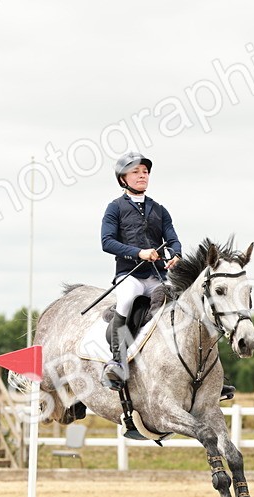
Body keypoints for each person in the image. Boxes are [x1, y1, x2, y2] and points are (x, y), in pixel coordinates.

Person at [99, 152, 181, 388]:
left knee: (183, 304)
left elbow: (174, 240)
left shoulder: (160, 210)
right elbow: (107, 242)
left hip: (157, 276)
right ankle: (117, 362)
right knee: (126, 299)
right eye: (135, 171)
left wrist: (175, 255)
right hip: (129, 275)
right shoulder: (114, 208)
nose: (142, 175)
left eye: (144, 172)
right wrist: (139, 253)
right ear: (123, 179)